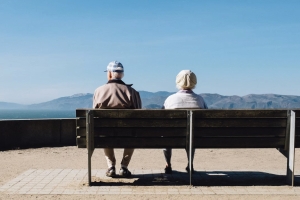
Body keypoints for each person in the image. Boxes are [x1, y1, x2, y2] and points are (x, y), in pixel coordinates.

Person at [93, 61, 142, 177]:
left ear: (109, 74)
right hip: (127, 133)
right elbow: (139, 114)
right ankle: (124, 167)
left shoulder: (98, 91)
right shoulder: (132, 92)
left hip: (106, 133)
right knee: (132, 134)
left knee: (104, 133)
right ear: (122, 74)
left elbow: (94, 115)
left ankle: (111, 167)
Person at [162, 70, 208, 174]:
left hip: (172, 137)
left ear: (177, 81)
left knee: (165, 135)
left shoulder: (170, 99)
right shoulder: (200, 100)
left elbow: (162, 119)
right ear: (194, 82)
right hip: (194, 137)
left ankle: (168, 164)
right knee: (191, 134)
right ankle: (190, 164)